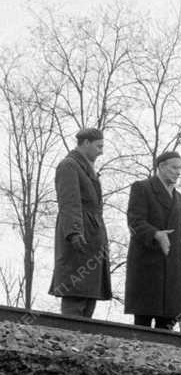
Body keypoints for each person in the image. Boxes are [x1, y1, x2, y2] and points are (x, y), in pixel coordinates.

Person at [124, 149, 181, 329]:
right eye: (174, 168)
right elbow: (135, 222)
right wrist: (156, 234)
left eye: (180, 168)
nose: (178, 172)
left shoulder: (179, 198)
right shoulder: (142, 188)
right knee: (142, 327)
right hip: (148, 269)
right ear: (161, 167)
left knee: (167, 330)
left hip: (172, 272)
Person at [50, 127, 113, 318]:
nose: (101, 151)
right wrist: (74, 232)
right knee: (76, 291)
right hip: (80, 235)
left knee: (88, 293)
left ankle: (82, 339)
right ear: (85, 143)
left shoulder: (85, 168)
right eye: (98, 146)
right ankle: (71, 335)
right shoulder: (69, 165)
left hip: (92, 236)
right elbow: (69, 202)